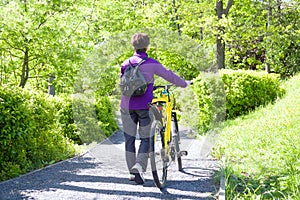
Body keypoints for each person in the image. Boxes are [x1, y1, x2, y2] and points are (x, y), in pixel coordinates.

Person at [120, 33, 191, 184]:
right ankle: (139, 166)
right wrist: (184, 83)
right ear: (147, 46)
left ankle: (132, 173)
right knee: (146, 139)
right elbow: (169, 76)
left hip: (126, 106)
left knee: (129, 139)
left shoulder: (125, 63)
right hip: (145, 106)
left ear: (133, 46)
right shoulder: (151, 63)